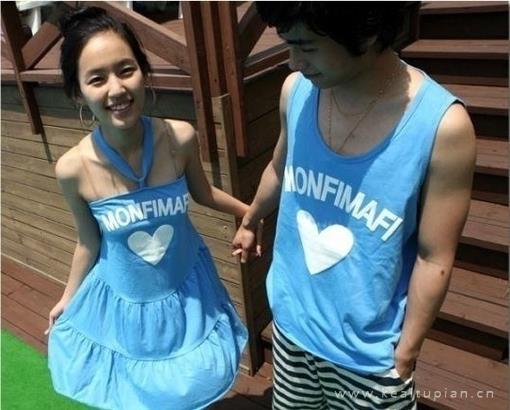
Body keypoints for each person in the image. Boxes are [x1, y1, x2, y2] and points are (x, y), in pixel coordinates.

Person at [232, 2, 476, 409]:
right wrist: (251, 218)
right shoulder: (296, 92)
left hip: (369, 359)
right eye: (288, 45)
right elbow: (279, 166)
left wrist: (406, 353)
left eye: (306, 47)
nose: (292, 62)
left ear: (367, 31)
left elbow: (434, 256)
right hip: (292, 332)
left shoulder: (442, 128)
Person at [46, 7, 248, 410]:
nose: (117, 89)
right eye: (97, 79)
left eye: (126, 70)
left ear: (143, 71)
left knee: (191, 378)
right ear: (78, 93)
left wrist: (251, 213)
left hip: (187, 287)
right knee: (140, 391)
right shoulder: (72, 169)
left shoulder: (179, 137)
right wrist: (68, 297)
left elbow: (204, 194)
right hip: (128, 302)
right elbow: (88, 242)